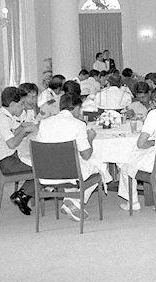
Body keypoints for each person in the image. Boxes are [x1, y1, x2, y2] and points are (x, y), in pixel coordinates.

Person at [35, 93, 112, 222]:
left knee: (78, 163)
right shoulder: (78, 125)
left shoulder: (44, 123)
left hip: (46, 173)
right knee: (100, 167)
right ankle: (74, 200)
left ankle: (72, 200)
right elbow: (86, 155)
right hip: (70, 173)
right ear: (77, 108)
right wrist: (90, 138)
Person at [0, 87, 37, 215]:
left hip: (4, 159)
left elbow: (12, 134)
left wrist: (21, 128)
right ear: (13, 104)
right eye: (21, 105)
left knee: (35, 159)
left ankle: (23, 194)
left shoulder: (2, 116)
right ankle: (23, 194)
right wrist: (24, 131)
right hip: (6, 163)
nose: (23, 108)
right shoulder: (2, 120)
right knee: (42, 167)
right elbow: (12, 143)